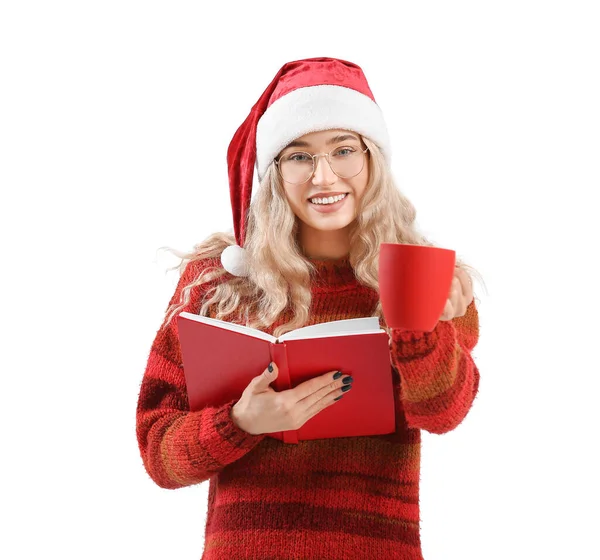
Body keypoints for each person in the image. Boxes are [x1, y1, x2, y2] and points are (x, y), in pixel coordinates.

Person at [136, 57, 482, 560]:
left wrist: (417, 326)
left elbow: (444, 411)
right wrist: (239, 422)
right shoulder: (217, 283)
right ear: (274, 171)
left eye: (343, 150)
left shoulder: (421, 273)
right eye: (299, 157)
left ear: (372, 160)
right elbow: (158, 454)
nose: (323, 176)